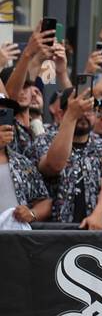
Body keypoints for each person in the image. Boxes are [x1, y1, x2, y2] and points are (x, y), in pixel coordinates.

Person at [34, 86, 102, 228]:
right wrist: (71, 116)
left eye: (91, 110)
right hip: (52, 233)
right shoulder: (44, 141)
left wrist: (98, 215)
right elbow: (53, 166)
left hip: (93, 229)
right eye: (80, 109)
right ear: (62, 113)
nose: (85, 114)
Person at [0, 96, 52, 228]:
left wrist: (32, 213)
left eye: (6, 115)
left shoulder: (21, 162)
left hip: (15, 243)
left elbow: (45, 201)